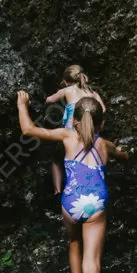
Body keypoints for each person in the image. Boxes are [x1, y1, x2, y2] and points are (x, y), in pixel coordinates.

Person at [16, 90, 128, 273]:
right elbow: (123, 154)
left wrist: (22, 104)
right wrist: (125, 153)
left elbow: (28, 129)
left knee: (73, 240)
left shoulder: (66, 135)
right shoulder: (105, 145)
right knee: (94, 264)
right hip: (95, 206)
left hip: (71, 203)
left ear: (74, 121)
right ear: (100, 124)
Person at [46, 65, 107, 199]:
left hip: (71, 133)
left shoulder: (67, 90)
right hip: (90, 133)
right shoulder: (93, 93)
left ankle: (58, 191)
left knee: (57, 159)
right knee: (85, 160)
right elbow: (102, 110)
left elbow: (49, 100)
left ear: (67, 81)